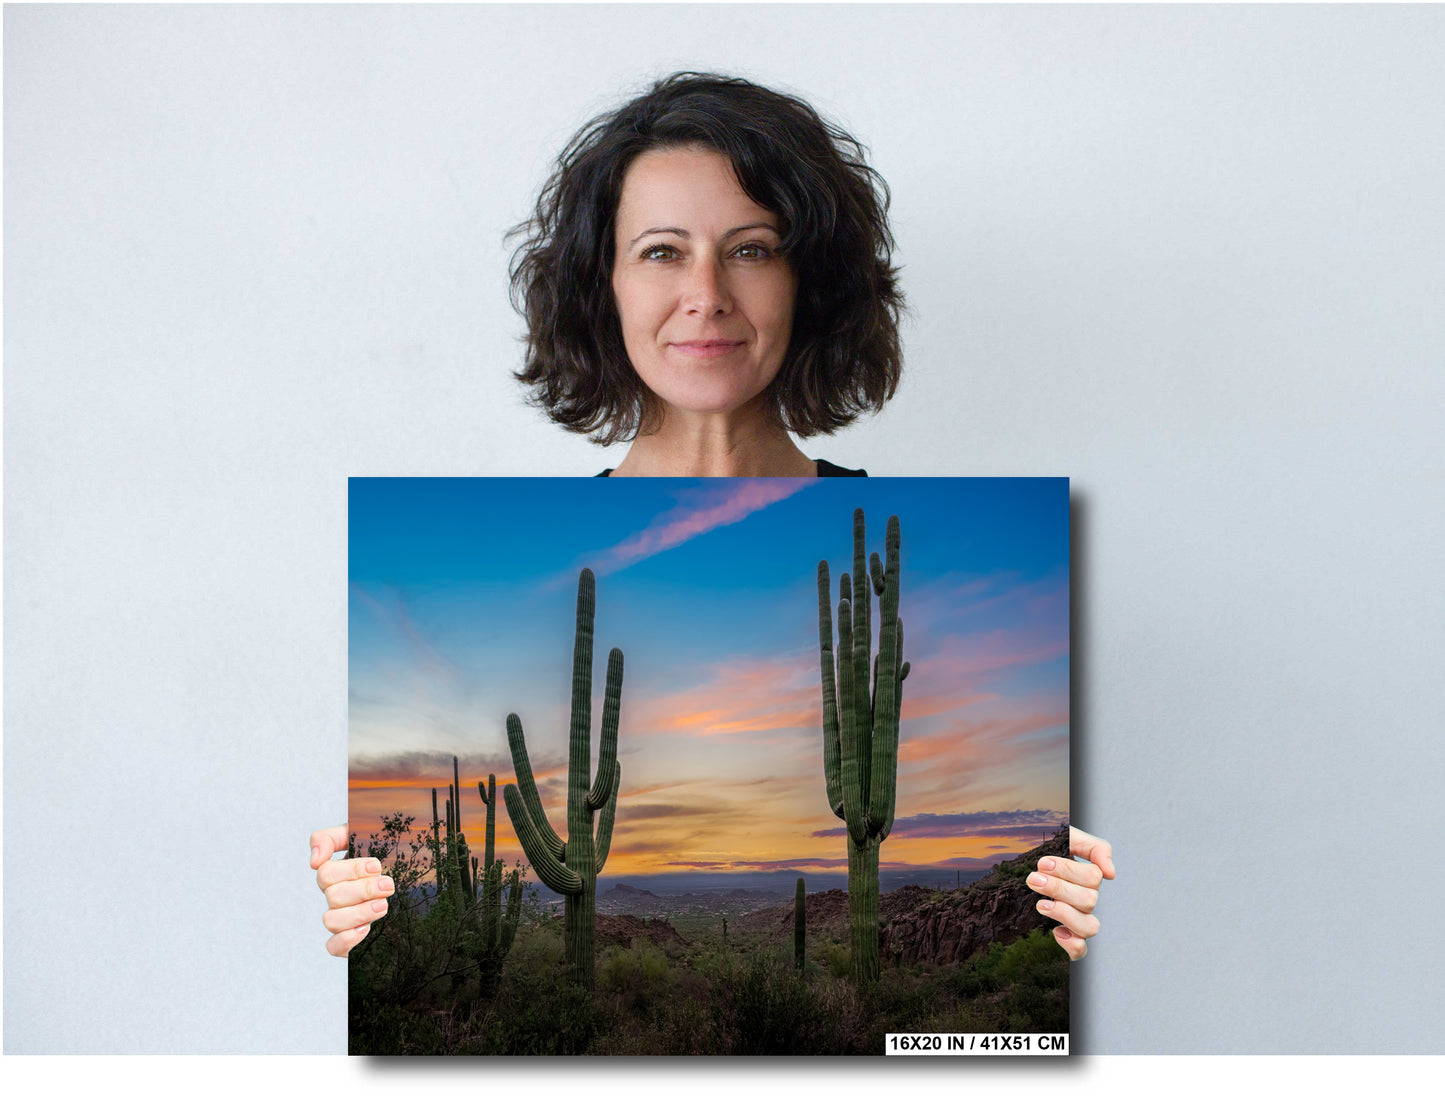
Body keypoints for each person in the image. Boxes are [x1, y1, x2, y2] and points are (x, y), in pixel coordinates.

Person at [313, 72, 1115, 960]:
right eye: (661, 251)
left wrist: (1054, 922)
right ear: (604, 285)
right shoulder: (526, 548)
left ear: (808, 282)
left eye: (752, 249)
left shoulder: (918, 547)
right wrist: (367, 922)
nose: (707, 293)